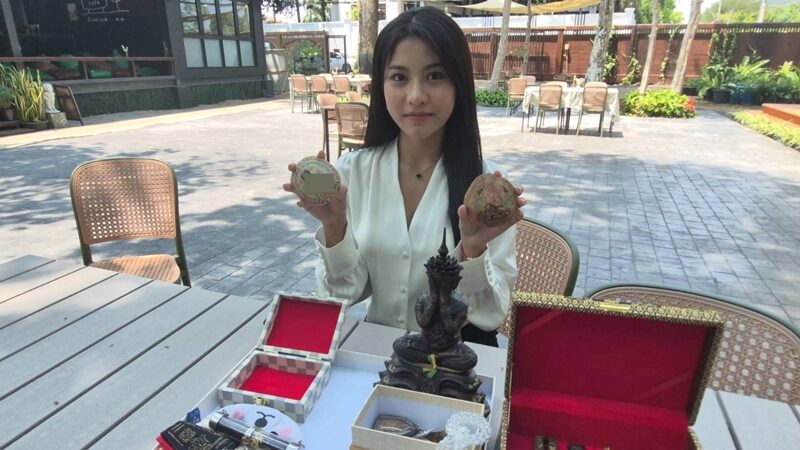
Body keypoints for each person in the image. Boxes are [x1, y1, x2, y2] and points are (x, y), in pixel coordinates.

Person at [284, 7, 524, 347]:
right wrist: (334, 227)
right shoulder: (354, 172)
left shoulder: (485, 187)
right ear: (381, 84)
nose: (416, 96)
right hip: (378, 357)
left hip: (456, 363)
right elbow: (343, 295)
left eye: (435, 75)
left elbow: (490, 314)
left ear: (459, 83)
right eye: (399, 77)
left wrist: (473, 250)